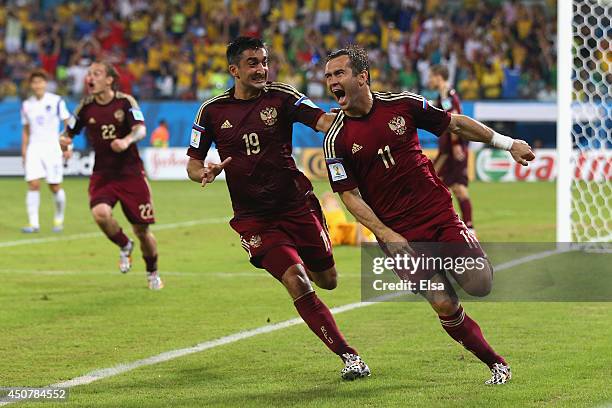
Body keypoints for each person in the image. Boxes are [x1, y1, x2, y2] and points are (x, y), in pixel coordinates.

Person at [323, 45, 535, 385]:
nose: (332, 81)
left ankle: (464, 253)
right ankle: (497, 363)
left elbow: (456, 125)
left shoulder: (402, 104)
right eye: (328, 76)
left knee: (480, 284)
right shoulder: (336, 139)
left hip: (437, 214)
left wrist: (507, 143)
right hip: (397, 233)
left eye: (339, 73)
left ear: (362, 77)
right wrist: (386, 234)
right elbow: (349, 196)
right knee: (443, 302)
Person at [186, 37, 369, 380]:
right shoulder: (211, 111)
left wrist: (358, 116)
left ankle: (306, 258)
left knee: (327, 280)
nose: (261, 69)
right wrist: (204, 172)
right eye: (253, 63)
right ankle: (350, 356)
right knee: (296, 280)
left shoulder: (282, 96)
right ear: (234, 70)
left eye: (264, 61)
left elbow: (322, 121)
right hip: (254, 220)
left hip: (296, 205)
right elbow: (193, 164)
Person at [59, 61, 163, 290]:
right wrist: (64, 145)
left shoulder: (126, 102)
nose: (90, 78)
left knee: (142, 231)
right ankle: (125, 245)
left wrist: (126, 141)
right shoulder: (85, 107)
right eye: (88, 74)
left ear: (109, 80)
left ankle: (152, 271)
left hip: (131, 174)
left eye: (96, 73)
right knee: (100, 213)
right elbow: (67, 134)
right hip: (103, 174)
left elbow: (141, 129)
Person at [20, 69, 71, 233]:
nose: (37, 85)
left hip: (52, 147)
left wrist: (68, 146)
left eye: (40, 81)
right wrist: (24, 151)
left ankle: (59, 218)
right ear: (31, 85)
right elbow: (26, 130)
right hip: (34, 147)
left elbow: (67, 124)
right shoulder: (27, 105)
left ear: (45, 83)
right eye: (34, 82)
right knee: (33, 184)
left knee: (54, 186)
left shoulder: (56, 101)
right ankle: (33, 224)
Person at [429, 64, 475, 233]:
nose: (429, 80)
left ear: (439, 76)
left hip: (450, 151)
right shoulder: (444, 95)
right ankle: (461, 226)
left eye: (431, 76)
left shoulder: (447, 95)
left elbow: (453, 121)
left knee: (453, 188)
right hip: (447, 150)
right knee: (448, 187)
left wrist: (456, 145)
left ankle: (467, 227)